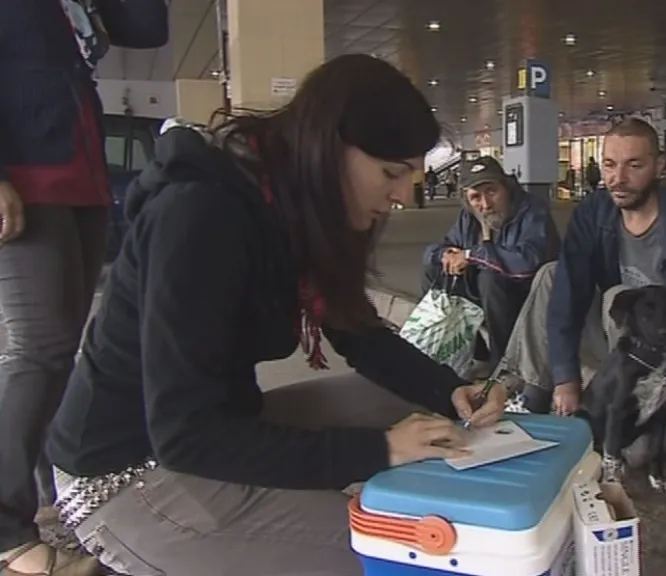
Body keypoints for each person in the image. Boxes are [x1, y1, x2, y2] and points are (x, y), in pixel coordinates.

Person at [41, 54, 506, 576]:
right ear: (330, 149)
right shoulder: (200, 216)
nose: (402, 195)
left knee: (414, 412)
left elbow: (357, 330)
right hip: (129, 473)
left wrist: (448, 390)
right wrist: (378, 450)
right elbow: (183, 433)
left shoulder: (290, 204)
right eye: (391, 172)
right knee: (399, 555)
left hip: (219, 426)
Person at [0, 1, 169, 574]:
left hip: (81, 177)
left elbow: (147, 29)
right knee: (38, 351)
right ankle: (5, 533)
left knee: (59, 352)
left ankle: (57, 510)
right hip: (24, 175)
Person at [496, 118, 666, 452]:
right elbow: (567, 294)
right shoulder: (594, 213)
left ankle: (626, 407)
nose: (618, 179)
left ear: (659, 166)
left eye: (634, 165)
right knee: (550, 275)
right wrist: (565, 378)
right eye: (609, 165)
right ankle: (535, 394)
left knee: (635, 455)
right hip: (617, 342)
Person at [422, 156, 559, 377]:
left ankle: (504, 366)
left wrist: (471, 255)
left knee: (490, 277)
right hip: (487, 297)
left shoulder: (532, 209)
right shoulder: (469, 217)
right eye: (476, 197)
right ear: (467, 199)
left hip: (527, 296)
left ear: (505, 187)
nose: (485, 205)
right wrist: (445, 255)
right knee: (435, 269)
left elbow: (528, 262)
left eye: (492, 192)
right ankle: (472, 354)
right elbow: (437, 250)